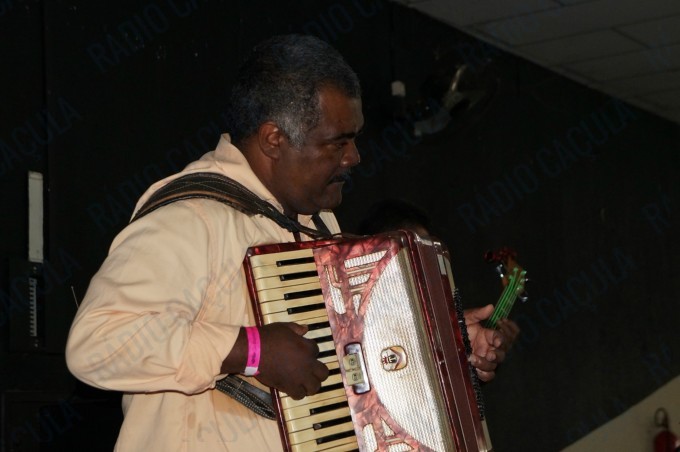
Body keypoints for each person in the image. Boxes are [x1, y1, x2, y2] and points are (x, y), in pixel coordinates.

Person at [65, 34, 507, 451]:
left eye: (354, 139)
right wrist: (252, 350)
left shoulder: (318, 224)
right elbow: (97, 342)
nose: (353, 157)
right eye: (337, 142)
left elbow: (348, 358)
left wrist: (440, 344)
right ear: (274, 139)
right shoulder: (193, 218)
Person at [357, 198, 521, 380]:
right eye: (411, 257)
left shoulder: (444, 319)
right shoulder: (352, 331)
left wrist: (470, 363)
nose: (426, 268)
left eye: (429, 257)